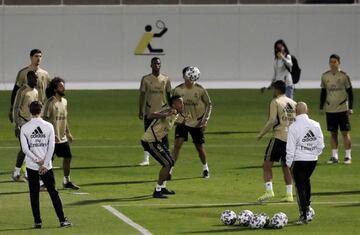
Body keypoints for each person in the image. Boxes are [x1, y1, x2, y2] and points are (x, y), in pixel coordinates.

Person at [20, 101, 72, 228]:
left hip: (32, 165)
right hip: (46, 166)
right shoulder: (48, 126)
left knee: (34, 193)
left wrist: (36, 160)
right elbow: (51, 146)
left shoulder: (25, 128)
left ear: (30, 111)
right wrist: (44, 163)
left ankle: (37, 222)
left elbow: (25, 149)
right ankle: (62, 220)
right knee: (53, 192)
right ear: (41, 110)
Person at [256, 80, 297, 203]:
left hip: (279, 137)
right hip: (291, 139)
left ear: (277, 90)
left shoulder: (275, 102)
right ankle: (289, 195)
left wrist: (261, 134)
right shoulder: (293, 103)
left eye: (274, 89)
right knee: (286, 166)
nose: (273, 91)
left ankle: (269, 191)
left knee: (267, 164)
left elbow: (272, 120)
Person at [286, 102, 325, 225]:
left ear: (296, 112)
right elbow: (321, 144)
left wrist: (288, 163)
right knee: (306, 181)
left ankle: (304, 214)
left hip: (299, 160)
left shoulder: (293, 127)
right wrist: (314, 154)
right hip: (312, 161)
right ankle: (307, 206)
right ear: (307, 111)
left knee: (300, 186)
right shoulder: (316, 124)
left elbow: (290, 148)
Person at [172, 66, 212, 178]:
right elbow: (172, 106)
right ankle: (169, 170)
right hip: (182, 122)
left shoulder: (200, 90)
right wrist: (174, 119)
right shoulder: (177, 90)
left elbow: (209, 104)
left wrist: (205, 120)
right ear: (184, 76)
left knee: (199, 147)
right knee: (177, 145)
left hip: (196, 123)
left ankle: (205, 168)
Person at [141, 96, 184, 199]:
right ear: (173, 104)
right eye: (180, 103)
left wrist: (181, 122)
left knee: (171, 162)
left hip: (157, 141)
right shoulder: (169, 110)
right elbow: (151, 115)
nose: (182, 105)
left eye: (183, 103)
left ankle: (162, 187)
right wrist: (165, 114)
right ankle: (157, 190)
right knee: (167, 163)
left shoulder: (176, 114)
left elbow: (168, 124)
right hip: (150, 141)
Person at [43, 77, 79, 190]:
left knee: (68, 157)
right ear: (55, 89)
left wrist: (68, 133)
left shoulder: (65, 102)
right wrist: (49, 134)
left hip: (62, 138)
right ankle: (44, 183)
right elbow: (43, 119)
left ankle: (66, 181)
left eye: (63, 86)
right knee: (48, 161)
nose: (63, 88)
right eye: (60, 86)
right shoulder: (50, 102)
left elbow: (65, 119)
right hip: (51, 138)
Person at [320, 54, 353, 165]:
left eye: (334, 62)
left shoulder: (344, 76)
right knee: (333, 133)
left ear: (339, 63)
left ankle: (348, 156)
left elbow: (350, 92)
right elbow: (323, 92)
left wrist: (351, 107)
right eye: (331, 62)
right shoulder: (325, 76)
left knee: (345, 132)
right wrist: (321, 106)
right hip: (330, 109)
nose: (332, 64)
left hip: (342, 109)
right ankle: (334, 157)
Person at [138, 57, 172, 166]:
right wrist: (141, 110)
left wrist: (172, 109)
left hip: (163, 112)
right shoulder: (146, 79)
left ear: (160, 65)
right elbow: (142, 95)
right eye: (154, 63)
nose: (156, 65)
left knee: (163, 134)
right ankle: (146, 159)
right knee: (148, 135)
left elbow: (169, 95)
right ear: (151, 65)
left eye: (158, 63)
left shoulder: (166, 78)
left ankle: (167, 157)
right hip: (150, 111)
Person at [9, 49, 51, 123]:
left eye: (40, 56)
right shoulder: (23, 72)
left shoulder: (45, 74)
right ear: (31, 57)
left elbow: (49, 93)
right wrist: (12, 108)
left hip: (40, 110)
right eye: (36, 56)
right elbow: (16, 91)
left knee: (38, 133)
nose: (38, 59)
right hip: (26, 110)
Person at [12, 71, 39, 181]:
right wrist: (17, 125)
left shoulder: (36, 92)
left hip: (32, 123)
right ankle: (16, 173)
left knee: (31, 148)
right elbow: (16, 108)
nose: (36, 80)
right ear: (29, 79)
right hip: (23, 122)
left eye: (37, 78)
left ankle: (27, 173)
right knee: (24, 149)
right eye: (34, 78)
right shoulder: (22, 91)